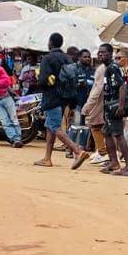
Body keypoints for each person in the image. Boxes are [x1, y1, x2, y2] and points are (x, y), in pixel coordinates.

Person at [34, 33, 89, 168]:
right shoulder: (68, 59)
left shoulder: (48, 58)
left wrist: (40, 80)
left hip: (52, 97)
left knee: (55, 127)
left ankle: (78, 151)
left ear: (51, 43)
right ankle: (47, 158)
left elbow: (43, 80)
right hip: (65, 98)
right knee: (49, 127)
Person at [97, 43, 128, 177]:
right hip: (109, 106)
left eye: (103, 52)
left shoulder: (113, 68)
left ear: (110, 53)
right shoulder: (111, 68)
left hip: (115, 106)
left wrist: (120, 105)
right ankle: (114, 162)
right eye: (99, 52)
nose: (100, 55)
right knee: (106, 132)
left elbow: (123, 86)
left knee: (118, 135)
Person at [77, 51, 109, 168]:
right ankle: (100, 151)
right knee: (100, 127)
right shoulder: (104, 68)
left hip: (98, 101)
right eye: (99, 53)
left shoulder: (100, 69)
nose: (100, 55)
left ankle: (102, 152)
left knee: (95, 125)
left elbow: (97, 88)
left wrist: (88, 105)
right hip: (86, 100)